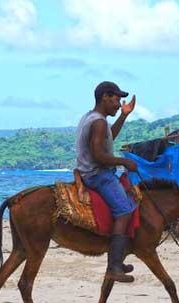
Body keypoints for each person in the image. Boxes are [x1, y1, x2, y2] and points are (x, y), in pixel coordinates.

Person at [75, 81, 139, 283]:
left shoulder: (92, 118)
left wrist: (124, 116)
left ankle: (117, 262)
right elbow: (98, 155)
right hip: (97, 174)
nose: (119, 104)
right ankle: (114, 266)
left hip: (89, 173)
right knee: (124, 210)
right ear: (105, 97)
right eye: (117, 100)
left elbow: (108, 137)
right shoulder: (99, 122)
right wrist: (124, 161)